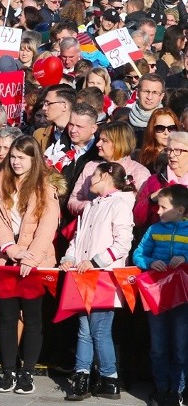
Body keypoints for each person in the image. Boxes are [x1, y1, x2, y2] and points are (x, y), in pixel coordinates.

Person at [0, 136, 63, 395]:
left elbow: (48, 225)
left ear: (33, 159)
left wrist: (31, 257)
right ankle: (8, 371)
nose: (15, 162)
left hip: (35, 263)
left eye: (21, 157)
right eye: (13, 157)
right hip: (5, 259)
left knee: (32, 318)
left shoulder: (46, 187)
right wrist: (11, 248)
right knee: (6, 317)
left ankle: (27, 372)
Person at [60, 162, 134, 401]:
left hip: (104, 277)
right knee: (84, 329)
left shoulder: (121, 205)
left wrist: (95, 261)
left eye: (94, 175)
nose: (90, 178)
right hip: (82, 275)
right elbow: (77, 238)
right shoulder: (91, 206)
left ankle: (109, 377)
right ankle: (82, 376)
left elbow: (122, 243)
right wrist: (70, 257)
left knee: (100, 330)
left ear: (106, 176)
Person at [132, 184, 188, 406]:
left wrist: (185, 260)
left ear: (181, 210)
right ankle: (161, 387)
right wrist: (149, 262)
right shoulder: (154, 229)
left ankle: (178, 389)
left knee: (181, 346)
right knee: (158, 345)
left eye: (163, 207)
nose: (158, 211)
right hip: (156, 295)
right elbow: (138, 254)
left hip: (182, 297)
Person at [67, 121, 150, 218]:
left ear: (119, 143)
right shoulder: (91, 167)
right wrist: (92, 207)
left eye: (104, 140)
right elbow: (73, 201)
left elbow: (142, 212)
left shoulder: (139, 173)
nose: (98, 144)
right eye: (99, 139)